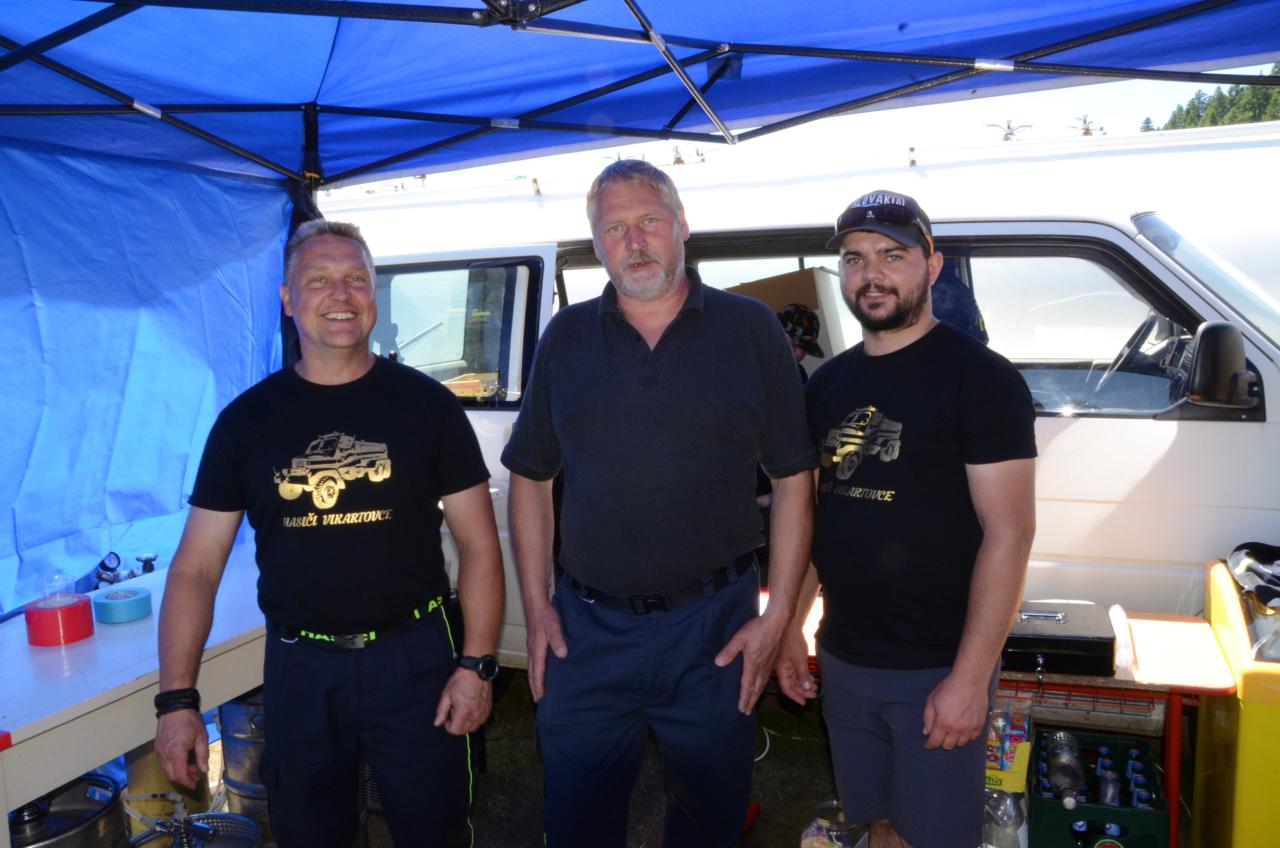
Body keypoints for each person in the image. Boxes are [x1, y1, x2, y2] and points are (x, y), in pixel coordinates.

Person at [153, 220, 503, 847]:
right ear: (288, 299)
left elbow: (479, 546)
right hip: (301, 668)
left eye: (356, 279)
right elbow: (195, 569)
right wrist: (176, 702)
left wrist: (476, 665)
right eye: (318, 280)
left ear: (374, 294)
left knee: (437, 831)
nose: (340, 295)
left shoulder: (429, 406)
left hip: (417, 660)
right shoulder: (245, 422)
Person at [502, 159, 817, 847]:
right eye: (615, 228)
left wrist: (779, 619)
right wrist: (536, 605)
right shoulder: (566, 337)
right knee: (576, 820)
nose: (634, 241)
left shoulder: (750, 329)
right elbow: (530, 477)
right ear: (597, 242)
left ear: (682, 226)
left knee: (708, 820)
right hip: (586, 631)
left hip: (714, 628)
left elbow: (796, 478)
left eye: (649, 220)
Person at [775, 191, 1037, 848]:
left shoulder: (982, 380)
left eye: (892, 256)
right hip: (844, 657)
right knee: (878, 823)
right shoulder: (826, 385)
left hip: (936, 667)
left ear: (932, 265)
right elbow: (813, 522)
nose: (872, 274)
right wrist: (790, 629)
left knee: (935, 836)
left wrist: (970, 680)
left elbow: (1011, 534)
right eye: (855, 259)